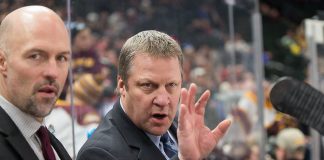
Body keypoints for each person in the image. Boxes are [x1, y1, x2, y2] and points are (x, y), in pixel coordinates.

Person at [77, 30, 231, 160]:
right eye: (148, 85)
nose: (163, 101)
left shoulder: (179, 129)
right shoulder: (98, 154)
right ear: (123, 86)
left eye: (171, 85)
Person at [0, 5, 71, 160]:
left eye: (61, 58)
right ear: (2, 62)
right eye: (36, 56)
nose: (53, 72)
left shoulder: (44, 138)